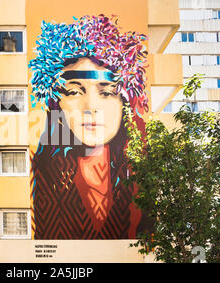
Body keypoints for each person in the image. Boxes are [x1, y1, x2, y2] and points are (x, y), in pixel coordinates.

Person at [29, 15, 153, 239]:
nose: (91, 107)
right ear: (57, 103)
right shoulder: (39, 172)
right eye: (75, 92)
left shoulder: (145, 172)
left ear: (125, 101)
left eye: (106, 92)